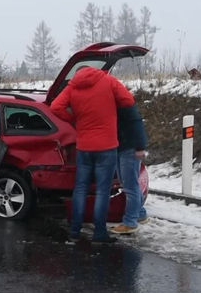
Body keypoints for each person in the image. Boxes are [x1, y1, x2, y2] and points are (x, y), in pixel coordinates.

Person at [51, 66, 135, 243]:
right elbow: (128, 101)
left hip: (84, 147)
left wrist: (74, 119)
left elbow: (56, 107)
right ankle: (99, 233)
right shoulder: (108, 81)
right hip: (107, 146)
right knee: (103, 191)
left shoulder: (73, 87)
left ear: (77, 74)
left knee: (80, 188)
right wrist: (112, 106)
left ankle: (74, 231)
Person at [110, 105, 149, 234]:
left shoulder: (126, 107)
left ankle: (130, 223)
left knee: (130, 186)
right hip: (122, 148)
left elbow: (137, 126)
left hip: (129, 149)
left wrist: (140, 147)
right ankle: (140, 214)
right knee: (129, 184)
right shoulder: (117, 107)